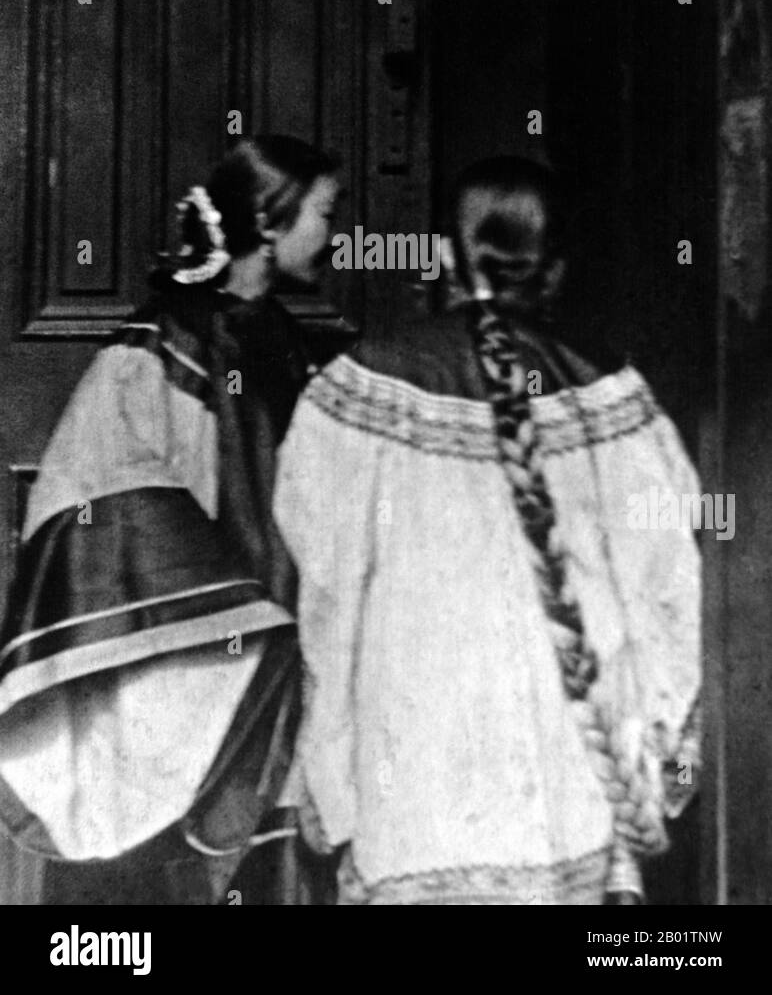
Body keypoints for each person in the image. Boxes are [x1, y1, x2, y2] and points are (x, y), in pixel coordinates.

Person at [273, 156, 701, 906]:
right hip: (570, 774)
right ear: (554, 268)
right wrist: (663, 751)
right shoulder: (615, 396)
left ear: (442, 256)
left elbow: (326, 596)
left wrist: (330, 767)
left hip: (414, 763)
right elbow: (668, 592)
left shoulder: (356, 389)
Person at [0, 135, 340, 903]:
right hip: (194, 665)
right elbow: (93, 494)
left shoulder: (286, 346)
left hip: (282, 665)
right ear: (268, 218)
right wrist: (232, 606)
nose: (335, 234)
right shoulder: (162, 344)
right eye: (324, 212)